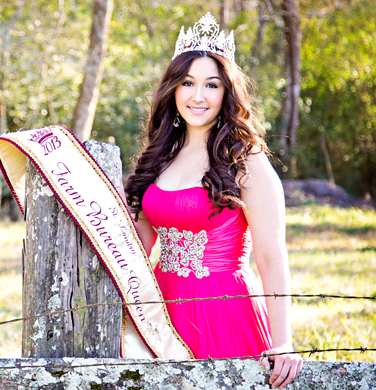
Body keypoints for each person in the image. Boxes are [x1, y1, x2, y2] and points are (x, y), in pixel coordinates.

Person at [123, 13, 303, 389]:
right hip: (160, 310)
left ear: (227, 93)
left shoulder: (245, 159)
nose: (198, 96)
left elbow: (271, 255)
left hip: (223, 309)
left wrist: (283, 341)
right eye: (188, 82)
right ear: (173, 88)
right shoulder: (159, 156)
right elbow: (136, 244)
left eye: (212, 84)